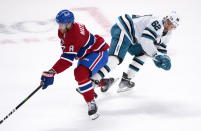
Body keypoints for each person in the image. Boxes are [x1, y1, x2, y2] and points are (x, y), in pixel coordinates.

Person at [40, 9, 109, 120]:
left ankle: (91, 102)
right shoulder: (65, 30)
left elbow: (67, 60)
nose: (60, 27)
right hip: (87, 54)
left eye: (62, 24)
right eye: (59, 24)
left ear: (69, 23)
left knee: (80, 74)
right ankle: (103, 83)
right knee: (83, 79)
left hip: (98, 52)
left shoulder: (75, 35)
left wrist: (52, 71)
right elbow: (67, 51)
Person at [91, 11, 180, 93]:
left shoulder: (168, 34)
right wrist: (156, 56)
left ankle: (126, 80)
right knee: (115, 59)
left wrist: (162, 58)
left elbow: (159, 49)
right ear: (165, 18)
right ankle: (92, 82)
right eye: (168, 22)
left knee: (143, 54)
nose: (169, 26)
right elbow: (146, 40)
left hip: (134, 38)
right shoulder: (158, 22)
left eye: (172, 26)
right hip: (125, 30)